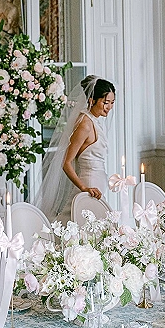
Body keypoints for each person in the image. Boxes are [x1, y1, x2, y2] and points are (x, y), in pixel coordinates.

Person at [38, 75, 115, 222]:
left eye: (112, 102)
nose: (109, 107)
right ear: (92, 100)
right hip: (89, 185)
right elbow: (66, 162)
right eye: (105, 102)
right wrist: (84, 188)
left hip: (97, 185)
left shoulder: (96, 121)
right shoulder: (85, 124)